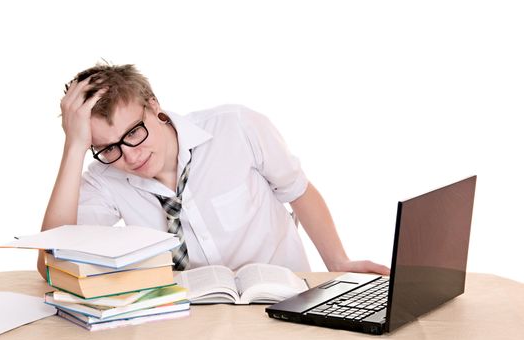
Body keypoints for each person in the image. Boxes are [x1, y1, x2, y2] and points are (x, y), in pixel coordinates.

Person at [37, 63, 389, 280]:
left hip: (285, 296)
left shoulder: (237, 127)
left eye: (133, 132)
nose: (130, 155)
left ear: (154, 105)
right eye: (109, 147)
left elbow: (297, 191)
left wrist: (338, 260)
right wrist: (74, 148)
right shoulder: (105, 177)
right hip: (194, 320)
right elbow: (50, 265)